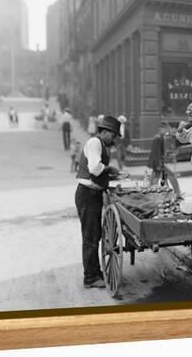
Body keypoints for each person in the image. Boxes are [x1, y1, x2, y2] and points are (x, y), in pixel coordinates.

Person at [75, 116, 121, 288]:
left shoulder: (100, 145)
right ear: (104, 132)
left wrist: (109, 174)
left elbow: (97, 170)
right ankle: (90, 278)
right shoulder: (95, 142)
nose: (114, 139)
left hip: (93, 194)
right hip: (87, 195)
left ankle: (94, 272)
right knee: (90, 237)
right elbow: (94, 168)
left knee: (94, 235)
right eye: (113, 135)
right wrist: (109, 169)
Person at [147, 122, 181, 195]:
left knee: (156, 177)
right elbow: (156, 152)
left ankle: (150, 191)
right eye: (165, 129)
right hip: (157, 162)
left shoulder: (159, 137)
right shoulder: (158, 138)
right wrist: (159, 164)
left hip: (157, 162)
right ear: (161, 129)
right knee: (170, 175)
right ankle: (177, 192)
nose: (166, 131)